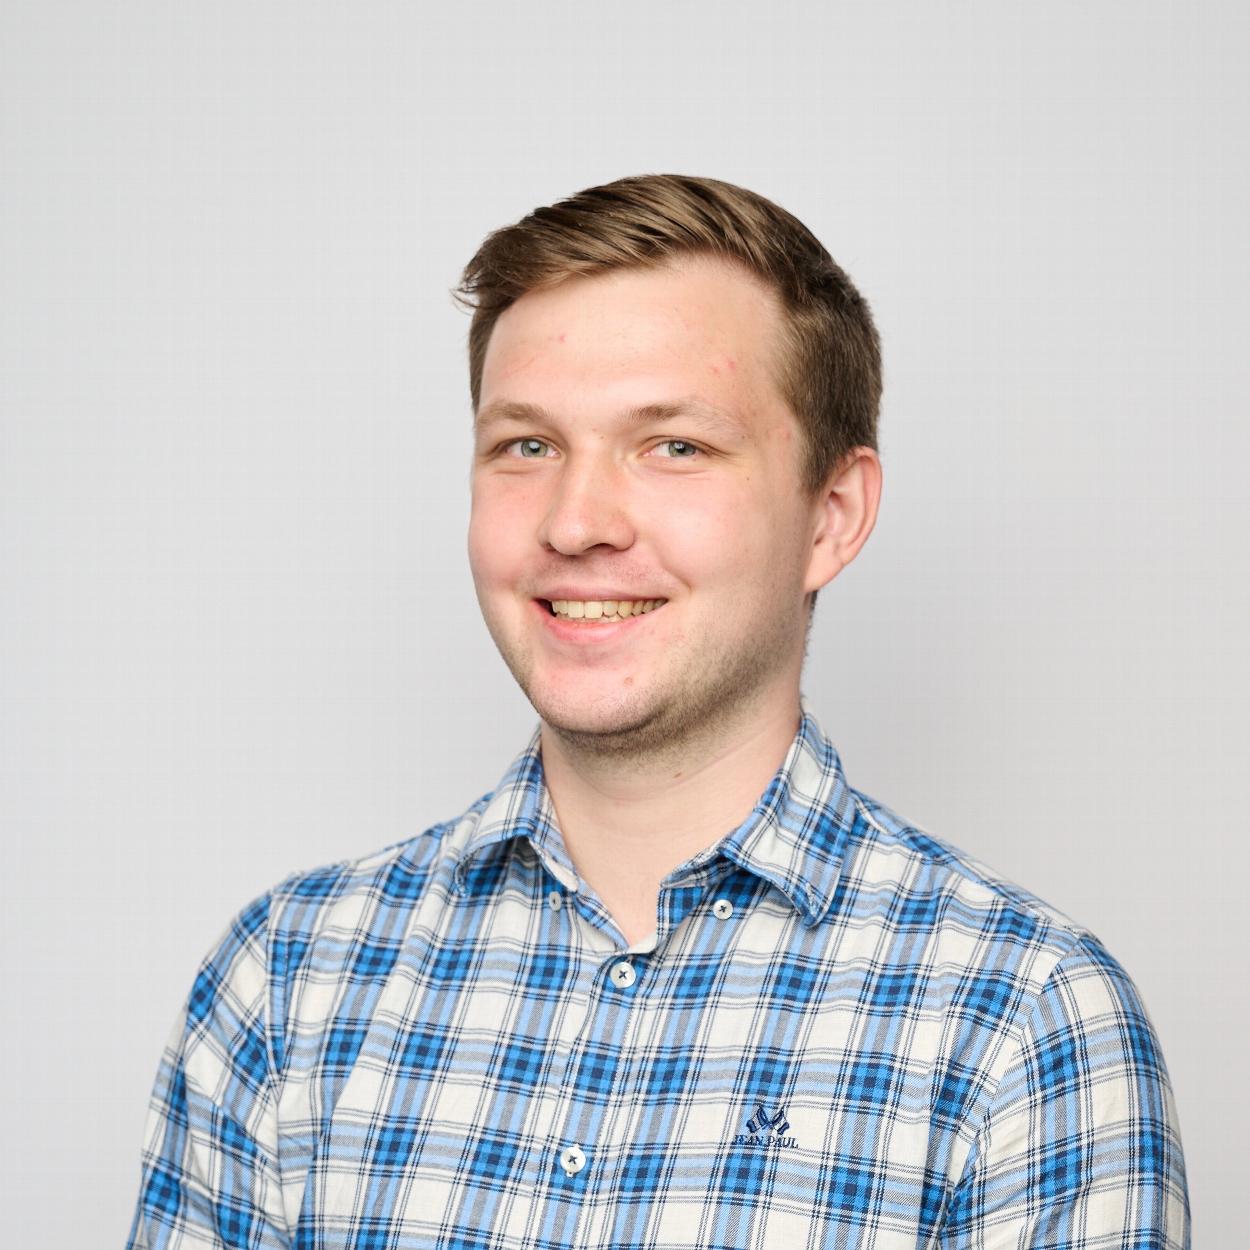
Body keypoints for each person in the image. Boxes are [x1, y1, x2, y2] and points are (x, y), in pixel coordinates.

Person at [127, 174, 1190, 1248]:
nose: (575, 521)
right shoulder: (287, 978)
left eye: (672, 444)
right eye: (526, 445)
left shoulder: (1023, 1019)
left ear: (831, 514)